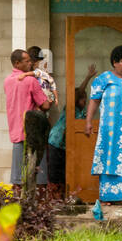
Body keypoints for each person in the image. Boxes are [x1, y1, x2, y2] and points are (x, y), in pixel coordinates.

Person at [86, 45, 122, 204]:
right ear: (114, 62)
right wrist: (89, 121)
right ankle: (109, 197)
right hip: (110, 131)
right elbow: (94, 101)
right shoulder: (103, 79)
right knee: (109, 158)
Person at [4, 49, 52, 189]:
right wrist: (48, 98)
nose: (30, 63)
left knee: (17, 179)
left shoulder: (8, 81)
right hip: (32, 133)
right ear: (17, 63)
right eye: (27, 61)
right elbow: (45, 105)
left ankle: (19, 207)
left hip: (16, 131)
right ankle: (39, 206)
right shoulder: (30, 80)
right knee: (39, 179)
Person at [49, 63, 97, 199]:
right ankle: (54, 199)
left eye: (85, 100)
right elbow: (79, 92)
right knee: (55, 173)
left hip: (65, 146)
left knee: (65, 173)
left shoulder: (82, 113)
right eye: (82, 99)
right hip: (56, 142)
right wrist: (88, 78)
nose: (84, 101)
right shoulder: (70, 108)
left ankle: (63, 197)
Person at [27, 46, 60, 188]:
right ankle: (37, 185)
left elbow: (51, 87)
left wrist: (52, 99)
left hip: (39, 113)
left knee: (36, 153)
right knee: (35, 153)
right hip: (37, 114)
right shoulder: (33, 76)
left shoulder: (39, 74)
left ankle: (39, 185)